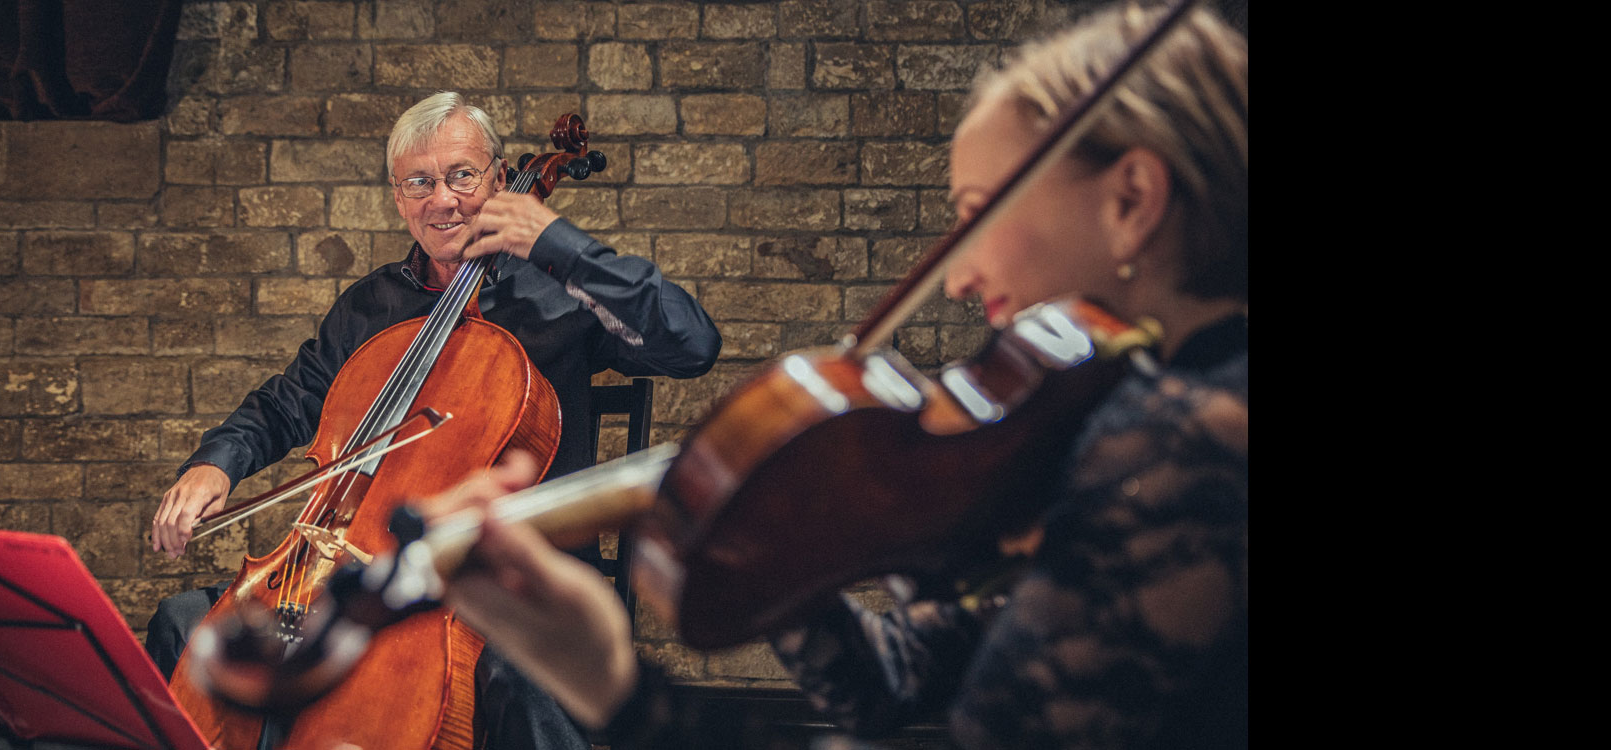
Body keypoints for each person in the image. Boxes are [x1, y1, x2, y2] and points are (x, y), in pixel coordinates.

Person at [429, 4, 1247, 748]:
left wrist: (617, 687)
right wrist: (796, 549)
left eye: (976, 212)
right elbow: (887, 687)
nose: (958, 277)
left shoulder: (1188, 442)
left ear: (1131, 198)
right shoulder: (1111, 424)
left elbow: (686, 339)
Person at [145, 91, 722, 749]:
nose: (442, 199)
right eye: (419, 182)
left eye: (461, 176)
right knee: (186, 623)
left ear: (501, 180)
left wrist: (560, 246)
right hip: (358, 572)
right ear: (398, 198)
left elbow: (692, 346)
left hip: (509, 582)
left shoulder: (561, 292)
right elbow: (288, 402)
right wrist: (213, 463)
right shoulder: (370, 307)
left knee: (527, 674)